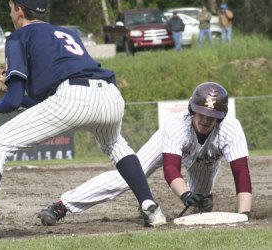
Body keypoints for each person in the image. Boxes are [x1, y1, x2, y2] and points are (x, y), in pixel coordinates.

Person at [0, 0, 166, 241]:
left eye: (11, 8)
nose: (11, 13)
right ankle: (151, 208)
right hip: (109, 95)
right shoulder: (66, 33)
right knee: (115, 144)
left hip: (72, 96)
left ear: (19, 11)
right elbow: (51, 104)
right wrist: (20, 99)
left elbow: (12, 101)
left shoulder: (19, 36)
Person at [38, 82, 252, 226]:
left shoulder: (230, 129)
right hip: (165, 146)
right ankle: (62, 206)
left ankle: (201, 201)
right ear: (192, 109)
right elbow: (170, 169)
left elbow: (241, 172)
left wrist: (245, 215)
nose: (205, 120)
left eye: (211, 116)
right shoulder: (177, 126)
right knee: (125, 178)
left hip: (205, 159)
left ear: (221, 118)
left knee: (201, 202)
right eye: (201, 113)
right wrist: (185, 194)